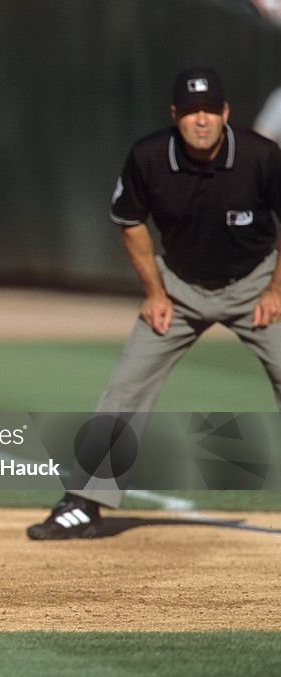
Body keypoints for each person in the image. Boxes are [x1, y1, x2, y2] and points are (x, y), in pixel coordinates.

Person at [28, 66, 281, 540]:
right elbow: (129, 220)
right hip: (180, 289)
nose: (201, 121)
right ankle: (85, 503)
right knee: (126, 385)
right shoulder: (149, 157)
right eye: (190, 112)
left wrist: (276, 291)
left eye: (209, 111)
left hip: (255, 284)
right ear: (174, 116)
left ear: (225, 113)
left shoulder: (261, 156)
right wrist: (155, 292)